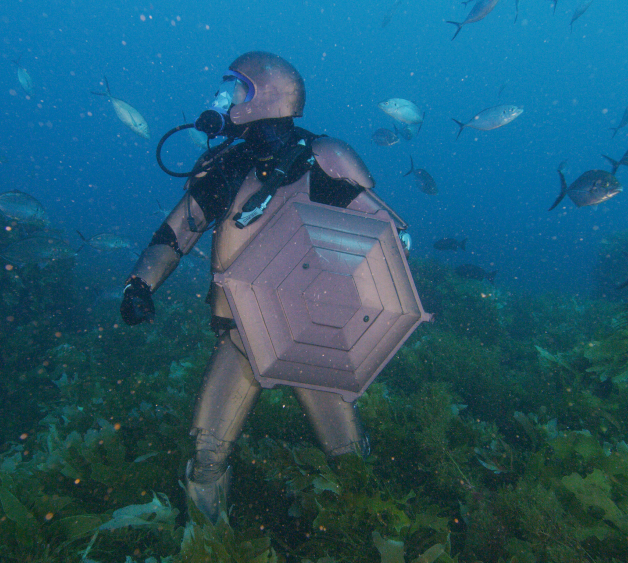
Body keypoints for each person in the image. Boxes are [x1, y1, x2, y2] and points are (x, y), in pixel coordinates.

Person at [121, 52, 413, 523]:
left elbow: (387, 236)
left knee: (347, 456)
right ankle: (211, 541)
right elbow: (176, 233)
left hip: (312, 331)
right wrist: (141, 283)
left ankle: (367, 532)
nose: (225, 98)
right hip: (243, 330)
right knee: (207, 455)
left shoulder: (323, 160)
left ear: (264, 95)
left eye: (237, 88)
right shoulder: (224, 164)